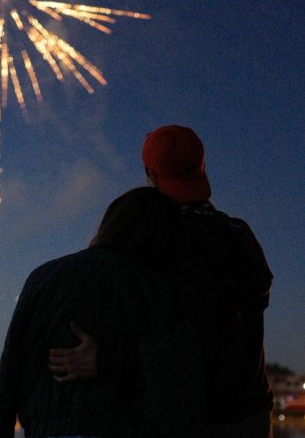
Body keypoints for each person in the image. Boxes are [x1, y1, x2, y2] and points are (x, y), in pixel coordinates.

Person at [49, 125, 274, 438]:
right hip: (253, 414)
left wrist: (103, 361)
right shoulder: (240, 233)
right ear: (202, 167)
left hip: (197, 418)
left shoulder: (166, 242)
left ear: (150, 176)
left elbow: (188, 347)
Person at [0, 187, 206, 438]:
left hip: (48, 429)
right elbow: (177, 372)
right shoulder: (155, 289)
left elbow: (11, 368)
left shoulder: (43, 278)